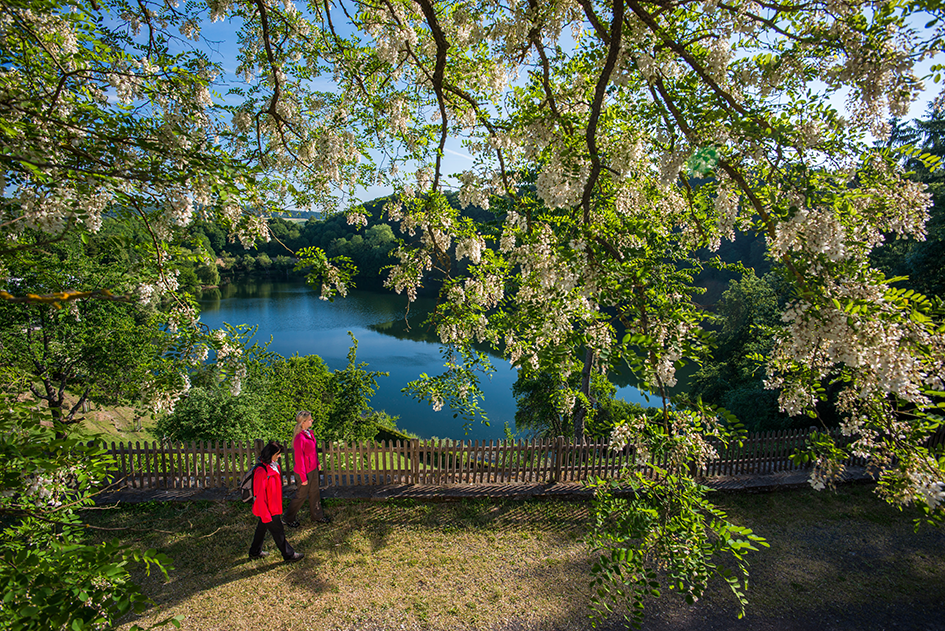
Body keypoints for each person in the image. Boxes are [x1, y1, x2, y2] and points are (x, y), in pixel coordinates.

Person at [249, 440, 304, 562]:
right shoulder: (261, 471)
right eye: (278, 453)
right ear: (270, 454)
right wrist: (265, 514)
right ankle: (289, 555)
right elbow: (259, 495)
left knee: (261, 528)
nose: (279, 456)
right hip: (268, 509)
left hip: (273, 505)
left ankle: (254, 551)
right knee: (278, 532)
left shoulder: (274, 466)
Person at [282, 410, 331, 527]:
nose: (312, 420)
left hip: (312, 469)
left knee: (315, 493)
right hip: (304, 472)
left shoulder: (309, 434)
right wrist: (303, 477)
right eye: (310, 419)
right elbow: (299, 460)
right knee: (301, 495)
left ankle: (317, 516)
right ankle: (287, 518)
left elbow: (312, 452)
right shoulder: (299, 438)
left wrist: (317, 463)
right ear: (303, 422)